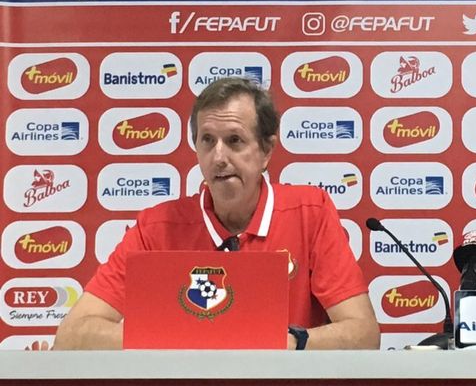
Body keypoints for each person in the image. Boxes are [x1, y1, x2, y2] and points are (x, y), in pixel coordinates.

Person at [54, 77, 380, 350]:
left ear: (266, 150)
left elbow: (363, 333)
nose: (219, 157)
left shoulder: (310, 212)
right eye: (207, 141)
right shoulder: (156, 226)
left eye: (234, 140)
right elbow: (72, 335)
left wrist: (289, 341)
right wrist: (185, 336)